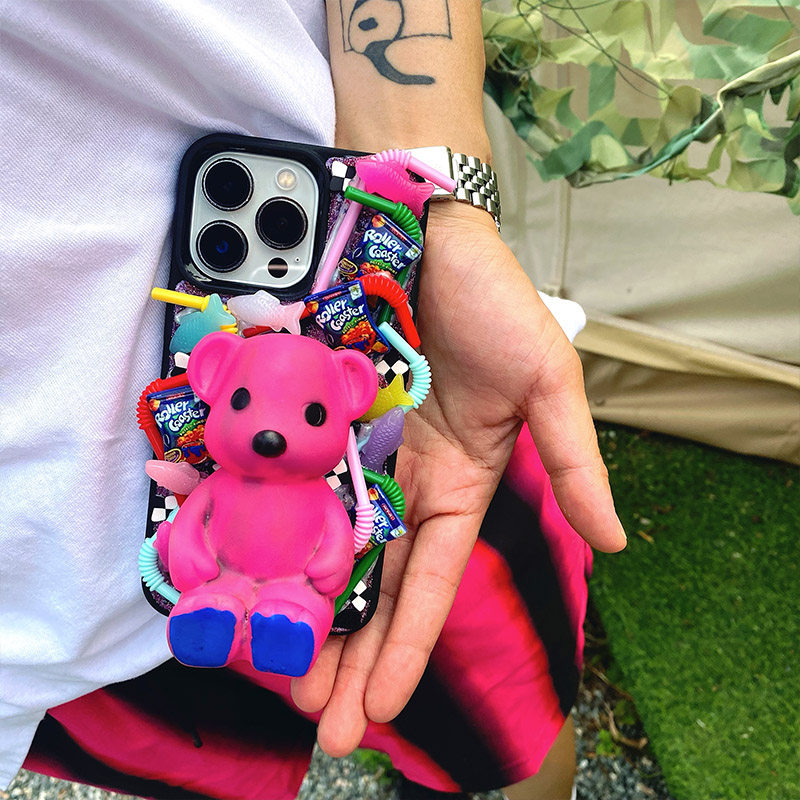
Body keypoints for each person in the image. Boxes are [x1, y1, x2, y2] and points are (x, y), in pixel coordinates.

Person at [0, 2, 625, 799]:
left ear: (354, 396)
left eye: (310, 416)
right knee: (218, 756)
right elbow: (203, 519)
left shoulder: (382, 432)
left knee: (490, 716)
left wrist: (439, 188)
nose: (269, 435)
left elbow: (338, 537)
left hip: (421, 431)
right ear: (212, 379)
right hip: (38, 592)